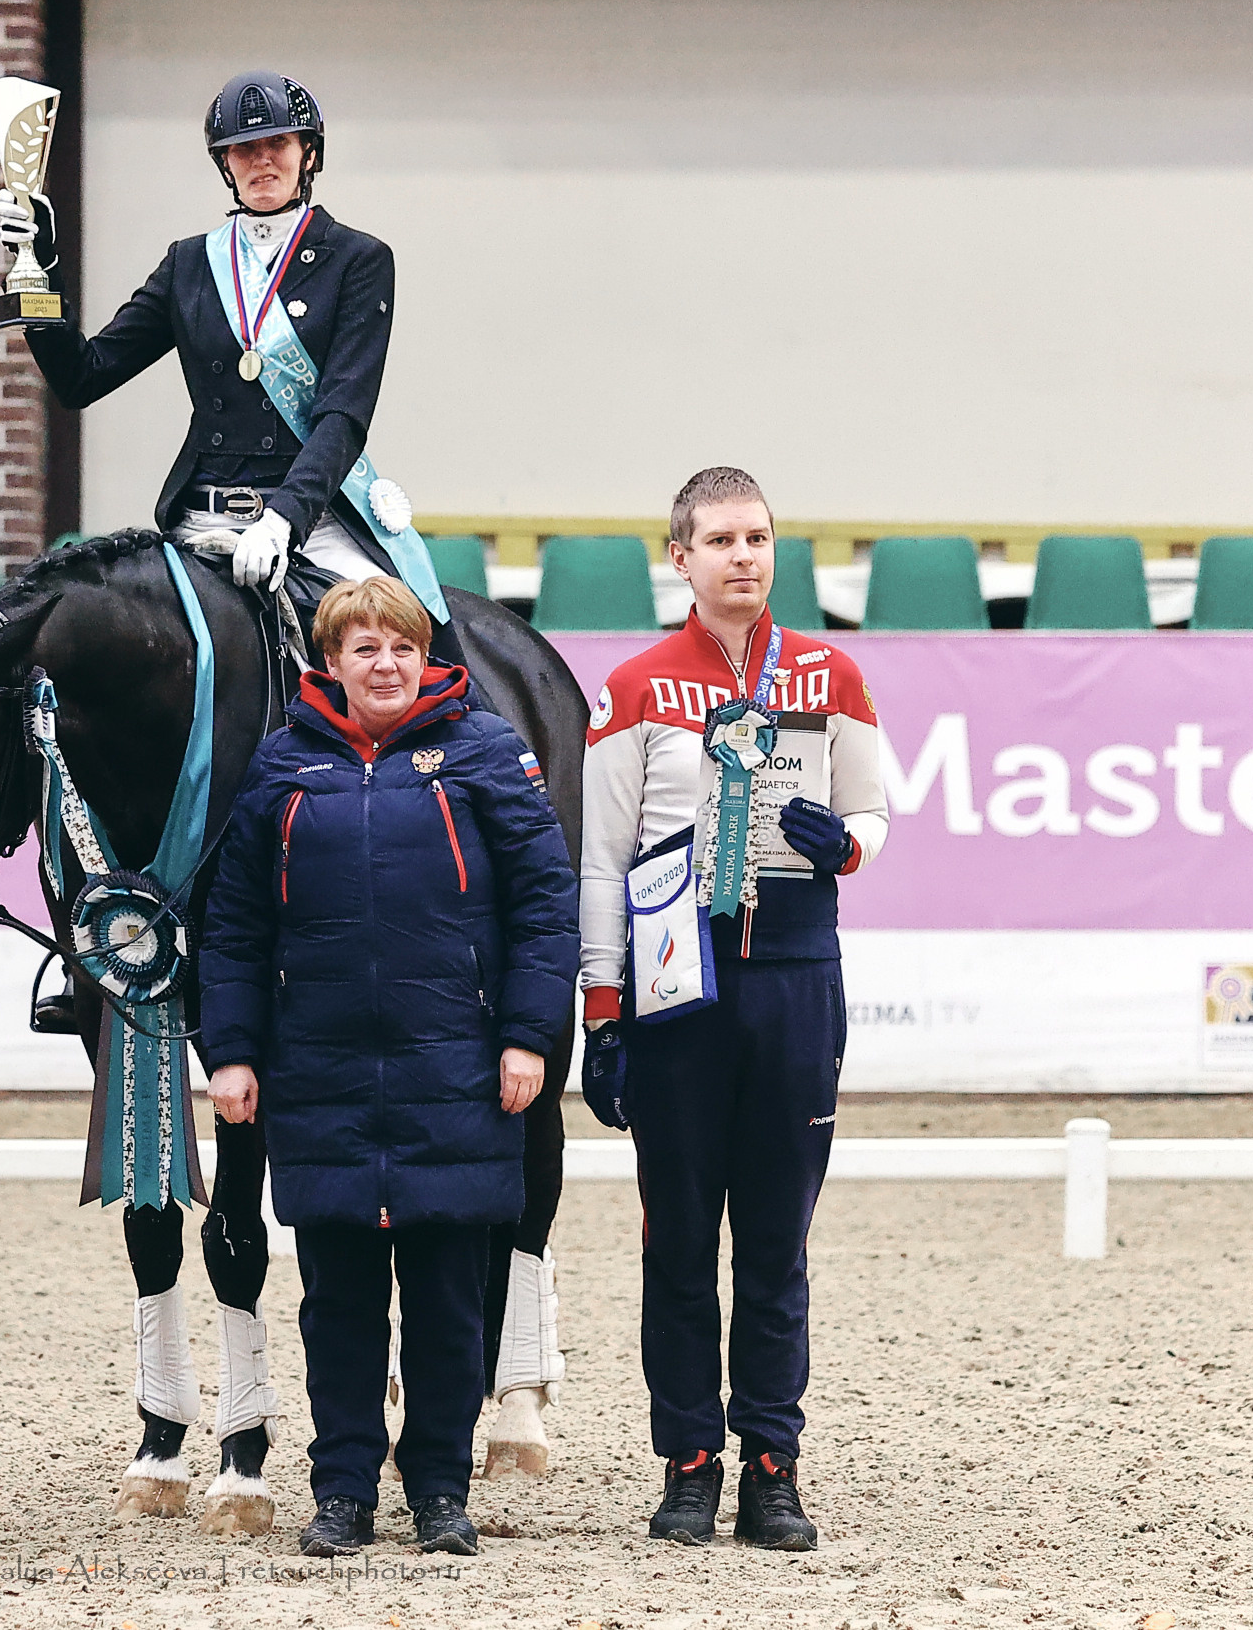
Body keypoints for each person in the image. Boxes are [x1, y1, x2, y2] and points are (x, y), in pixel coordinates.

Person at [200, 577, 577, 1558]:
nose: (383, 665)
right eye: (362, 648)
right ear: (329, 662)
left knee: (451, 1304)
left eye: (399, 648)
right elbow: (236, 925)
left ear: (425, 656)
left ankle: (441, 1490)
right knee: (338, 1308)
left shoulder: (487, 755)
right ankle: (343, 1492)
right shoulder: (281, 769)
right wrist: (232, 1051)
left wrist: (528, 1036)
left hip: (456, 1072)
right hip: (319, 1081)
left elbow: (543, 906)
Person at [576, 467, 890, 1552]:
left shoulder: (830, 671)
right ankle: (688, 1461)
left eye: (758, 537)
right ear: (680, 559)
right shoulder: (634, 686)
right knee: (676, 1245)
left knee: (774, 1242)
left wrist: (842, 846)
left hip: (797, 980)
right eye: (718, 540)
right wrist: (603, 1013)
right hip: (676, 995)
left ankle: (772, 1464)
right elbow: (601, 861)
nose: (742, 556)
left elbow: (874, 810)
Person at [1, 70, 461, 661]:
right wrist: (37, 266)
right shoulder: (191, 263)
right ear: (226, 163)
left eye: (278, 145)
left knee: (420, 650)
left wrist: (283, 521)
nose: (262, 161)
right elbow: (82, 376)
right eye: (245, 149)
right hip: (199, 519)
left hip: (311, 522)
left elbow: (343, 414)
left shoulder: (359, 259)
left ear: (308, 153)